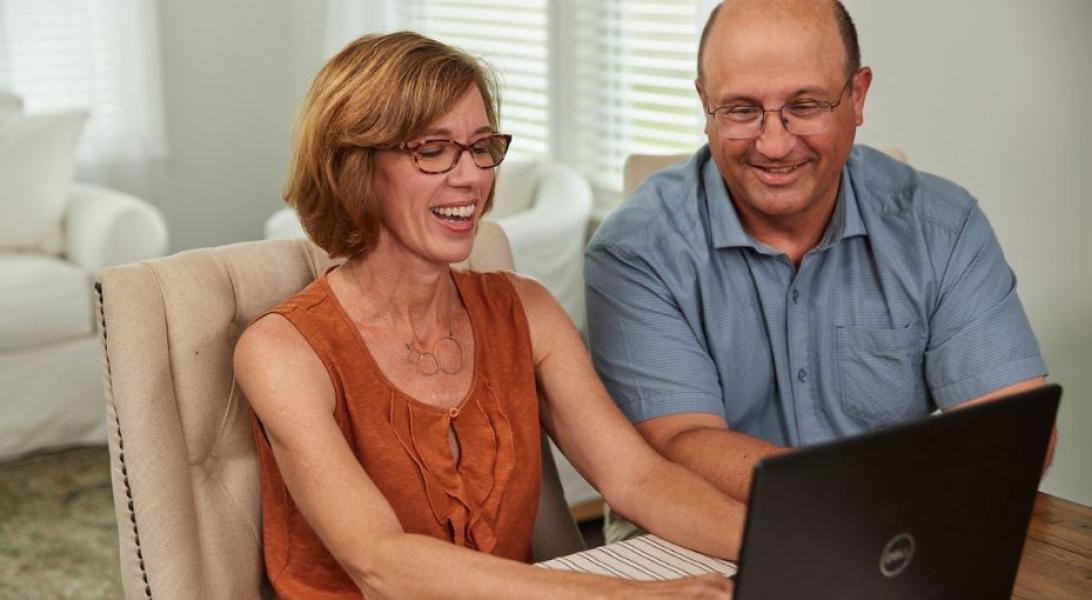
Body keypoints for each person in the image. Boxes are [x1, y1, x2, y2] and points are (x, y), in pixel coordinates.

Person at [234, 31, 742, 599]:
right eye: (433, 149)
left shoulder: (526, 311)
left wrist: (780, 546)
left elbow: (638, 479)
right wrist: (625, 595)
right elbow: (381, 563)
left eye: (481, 146)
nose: (472, 175)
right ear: (355, 166)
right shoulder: (282, 351)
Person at [585, 0, 1052, 543]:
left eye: (805, 105)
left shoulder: (943, 230)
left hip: (896, 540)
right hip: (701, 544)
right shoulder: (634, 251)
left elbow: (1015, 429)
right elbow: (680, 443)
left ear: (857, 97)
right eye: (740, 109)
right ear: (704, 105)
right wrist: (877, 498)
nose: (774, 144)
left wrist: (893, 514)